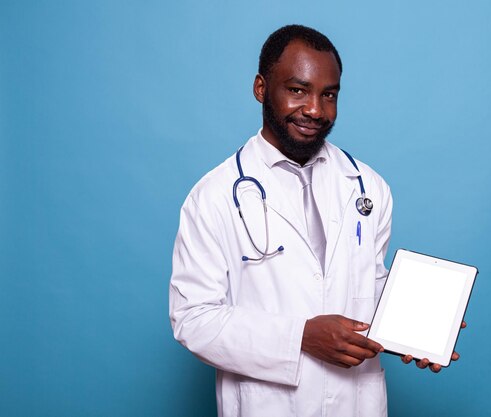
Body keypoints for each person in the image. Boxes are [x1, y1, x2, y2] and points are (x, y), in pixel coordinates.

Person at [169, 24, 461, 417]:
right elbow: (194, 320)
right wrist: (301, 337)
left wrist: (416, 325)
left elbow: (366, 285)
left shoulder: (367, 187)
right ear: (260, 88)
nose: (315, 110)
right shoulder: (214, 196)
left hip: (357, 403)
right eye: (297, 90)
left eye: (329, 95)